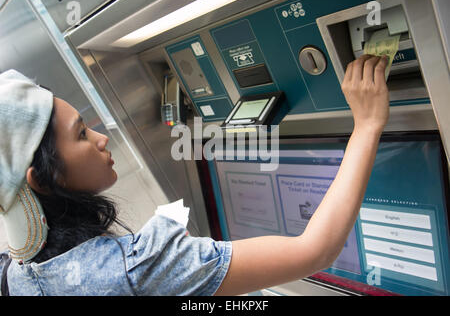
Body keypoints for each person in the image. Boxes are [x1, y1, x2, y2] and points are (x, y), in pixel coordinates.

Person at [0, 54, 389, 296]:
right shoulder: (138, 268)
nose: (102, 140)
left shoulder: (15, 274)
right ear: (43, 179)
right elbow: (315, 251)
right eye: (82, 135)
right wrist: (367, 125)